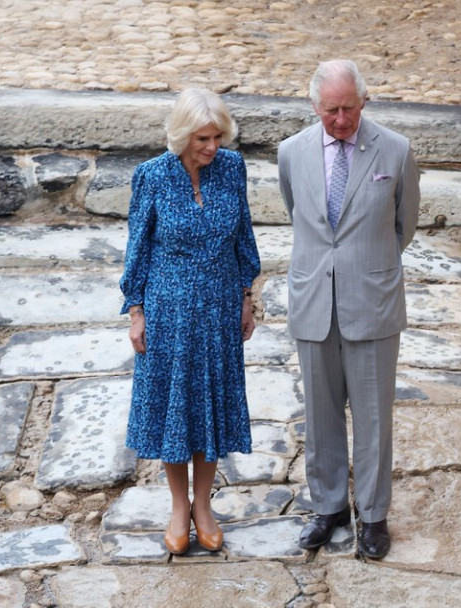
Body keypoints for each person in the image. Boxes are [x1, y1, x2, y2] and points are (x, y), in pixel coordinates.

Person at [278, 60, 421, 559]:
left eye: (349, 108)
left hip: (373, 302)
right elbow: (297, 213)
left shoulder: (396, 150)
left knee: (373, 417)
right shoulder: (291, 152)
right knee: (319, 415)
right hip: (313, 300)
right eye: (331, 110)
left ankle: (375, 516)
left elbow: (405, 226)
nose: (341, 120)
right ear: (314, 106)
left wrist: (365, 268)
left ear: (365, 101)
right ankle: (330, 506)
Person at [119, 87, 260, 555]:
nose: (212, 147)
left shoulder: (232, 168)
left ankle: (205, 505)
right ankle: (180, 507)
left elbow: (243, 235)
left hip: (219, 306)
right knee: (176, 409)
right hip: (170, 310)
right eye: (202, 138)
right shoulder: (152, 177)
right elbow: (137, 247)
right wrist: (136, 311)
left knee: (210, 406)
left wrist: (246, 297)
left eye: (218, 137)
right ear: (181, 135)